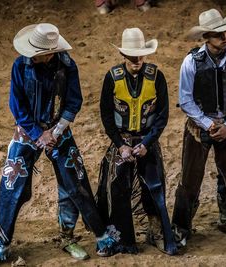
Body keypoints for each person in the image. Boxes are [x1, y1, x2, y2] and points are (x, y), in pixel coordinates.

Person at [0, 23, 118, 267]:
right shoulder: (20, 66)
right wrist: (38, 134)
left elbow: (73, 101)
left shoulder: (68, 66)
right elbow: (17, 106)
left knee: (75, 182)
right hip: (27, 131)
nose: (33, 56)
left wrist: (55, 131)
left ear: (50, 52)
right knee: (10, 184)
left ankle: (70, 237)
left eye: (39, 53)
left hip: (59, 130)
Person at [95, 27, 177, 255]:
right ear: (123, 56)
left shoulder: (156, 76)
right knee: (115, 187)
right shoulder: (112, 78)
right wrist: (120, 144)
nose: (137, 60)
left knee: (155, 186)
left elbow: (162, 115)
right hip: (121, 140)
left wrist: (147, 143)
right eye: (132, 56)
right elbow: (106, 114)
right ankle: (119, 239)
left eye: (140, 55)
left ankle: (157, 231)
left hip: (147, 139)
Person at [171, 8, 226, 244]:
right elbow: (185, 99)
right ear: (206, 37)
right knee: (190, 179)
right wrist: (208, 124)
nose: (225, 38)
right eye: (218, 35)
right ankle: (181, 228)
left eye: (225, 33)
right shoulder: (191, 61)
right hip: (199, 127)